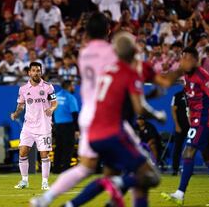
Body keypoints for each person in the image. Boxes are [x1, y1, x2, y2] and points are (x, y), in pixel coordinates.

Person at [62, 32, 166, 207]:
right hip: (113, 133)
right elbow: (139, 107)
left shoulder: (106, 70)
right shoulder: (130, 72)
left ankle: (71, 205)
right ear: (134, 51)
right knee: (151, 177)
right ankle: (114, 184)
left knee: (126, 178)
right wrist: (158, 115)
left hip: (95, 134)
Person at [30, 12, 117, 207]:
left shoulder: (84, 53)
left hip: (88, 115)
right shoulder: (112, 53)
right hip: (107, 115)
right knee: (138, 170)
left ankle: (48, 199)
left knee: (86, 167)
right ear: (109, 30)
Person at [161, 47, 209, 206]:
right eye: (181, 58)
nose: (182, 62)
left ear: (194, 60)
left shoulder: (202, 75)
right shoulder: (185, 75)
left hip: (204, 120)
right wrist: (189, 113)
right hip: (197, 119)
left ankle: (179, 194)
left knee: (188, 151)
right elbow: (190, 96)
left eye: (186, 59)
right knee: (208, 157)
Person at [10, 61, 58, 190]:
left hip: (44, 126)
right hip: (28, 126)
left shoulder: (48, 87)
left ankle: (45, 182)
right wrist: (16, 113)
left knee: (44, 154)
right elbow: (21, 105)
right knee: (23, 152)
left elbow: (54, 103)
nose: (36, 73)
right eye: (34, 70)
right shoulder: (23, 89)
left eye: (38, 70)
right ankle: (24, 181)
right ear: (29, 73)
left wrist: (51, 110)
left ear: (41, 72)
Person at [53, 80, 79, 174]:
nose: (74, 87)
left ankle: (56, 169)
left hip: (58, 126)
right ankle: (66, 169)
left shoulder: (55, 96)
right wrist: (77, 129)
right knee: (68, 149)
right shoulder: (70, 97)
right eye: (73, 85)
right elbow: (75, 114)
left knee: (59, 148)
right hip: (68, 126)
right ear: (69, 86)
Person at [171, 89, 190, 176]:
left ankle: (188, 169)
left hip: (192, 126)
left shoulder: (194, 94)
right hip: (181, 126)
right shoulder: (177, 95)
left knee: (192, 147)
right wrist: (176, 125)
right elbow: (173, 110)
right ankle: (175, 169)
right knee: (177, 148)